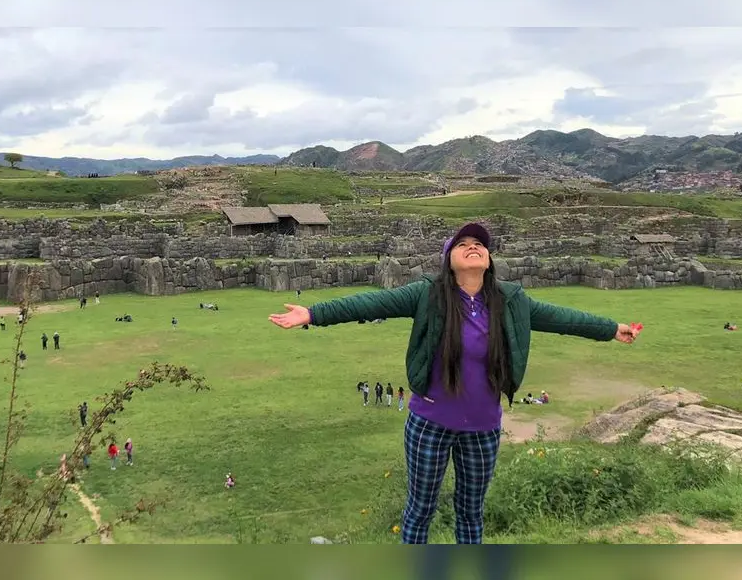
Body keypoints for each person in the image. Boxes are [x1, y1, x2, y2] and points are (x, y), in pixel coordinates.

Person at [268, 222, 641, 545]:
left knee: (471, 513)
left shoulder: (511, 301)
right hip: (429, 424)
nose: (473, 247)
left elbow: (565, 319)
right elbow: (371, 305)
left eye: (479, 244)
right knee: (419, 511)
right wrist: (313, 314)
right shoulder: (428, 295)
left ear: (489, 259)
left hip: (483, 429)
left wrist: (612, 329)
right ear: (449, 259)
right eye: (462, 244)